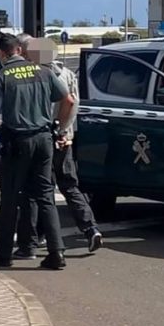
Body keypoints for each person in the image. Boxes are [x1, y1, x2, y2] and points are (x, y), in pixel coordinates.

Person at [0, 34, 75, 270]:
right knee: (45, 196)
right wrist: (60, 129)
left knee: (10, 198)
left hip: (17, 142)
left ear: (0, 54)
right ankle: (56, 253)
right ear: (19, 50)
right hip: (44, 140)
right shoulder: (42, 71)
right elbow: (69, 100)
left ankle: (3, 254)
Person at [14, 34, 104, 257]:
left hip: (44, 138)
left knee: (39, 190)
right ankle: (90, 229)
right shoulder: (67, 73)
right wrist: (66, 132)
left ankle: (36, 240)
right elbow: (75, 103)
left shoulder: (36, 75)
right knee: (69, 185)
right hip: (65, 139)